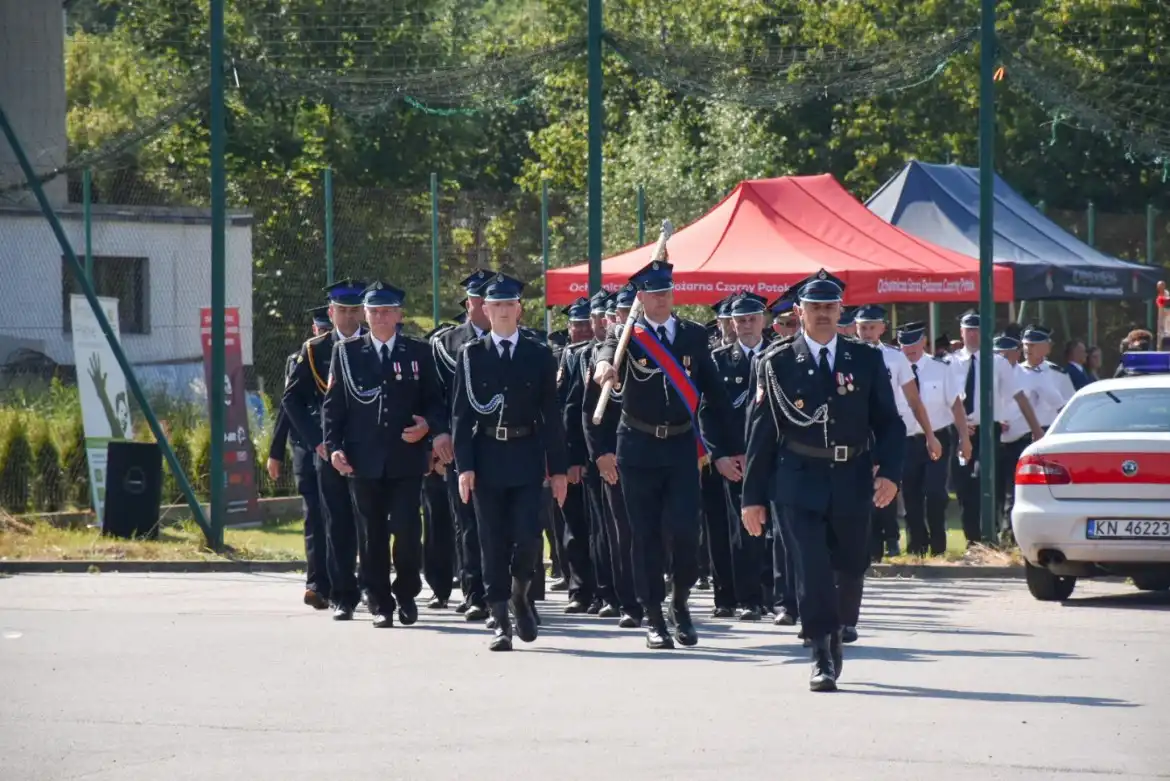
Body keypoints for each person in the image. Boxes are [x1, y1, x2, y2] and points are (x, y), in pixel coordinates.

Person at [741, 269, 905, 692]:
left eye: (830, 307)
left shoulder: (865, 358)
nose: (823, 314)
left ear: (841, 310)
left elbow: (889, 423)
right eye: (815, 307)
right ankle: (820, 651)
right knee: (811, 568)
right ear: (799, 312)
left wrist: (890, 473)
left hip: (851, 475)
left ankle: (838, 629)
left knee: (851, 565)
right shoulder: (775, 362)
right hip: (798, 479)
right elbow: (761, 433)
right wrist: (752, 498)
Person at [592, 259, 743, 650]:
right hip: (637, 447)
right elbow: (607, 350)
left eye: (666, 293)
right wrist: (605, 363)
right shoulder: (628, 334)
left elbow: (715, 395)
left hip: (679, 446)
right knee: (643, 536)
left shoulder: (693, 336)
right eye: (653, 294)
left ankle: (679, 601)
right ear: (640, 297)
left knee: (685, 532)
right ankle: (653, 616)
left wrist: (729, 446)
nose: (661, 300)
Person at [451, 273, 569, 651]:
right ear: (484, 310)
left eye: (508, 304)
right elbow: (461, 416)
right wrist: (464, 466)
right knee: (491, 541)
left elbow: (551, 414)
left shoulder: (537, 354)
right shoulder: (471, 355)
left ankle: (521, 595)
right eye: (495, 305)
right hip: (487, 458)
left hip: (526, 455)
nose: (502, 311)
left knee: (528, 539)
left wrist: (560, 469)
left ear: (519, 309)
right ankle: (500, 619)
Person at [322, 281, 450, 628]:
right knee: (371, 535)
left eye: (386, 311)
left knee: (408, 532)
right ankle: (380, 602)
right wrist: (333, 448)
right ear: (365, 314)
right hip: (363, 460)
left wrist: (429, 428)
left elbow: (435, 401)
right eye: (374, 311)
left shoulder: (417, 352)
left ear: (399, 315)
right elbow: (334, 408)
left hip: (406, 459)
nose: (379, 317)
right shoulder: (347, 353)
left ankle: (406, 592)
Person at [282, 280, 367, 620]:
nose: (347, 318)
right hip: (330, 450)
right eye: (341, 311)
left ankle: (374, 589)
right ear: (331, 313)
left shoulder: (372, 343)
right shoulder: (315, 350)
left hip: (369, 447)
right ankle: (342, 594)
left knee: (371, 524)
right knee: (337, 523)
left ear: (361, 312)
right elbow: (292, 399)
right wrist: (317, 440)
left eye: (352, 311)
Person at [853, 304, 943, 563]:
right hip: (856, 432)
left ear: (882, 328)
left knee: (887, 484)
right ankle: (868, 547)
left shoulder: (895, 358)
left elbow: (914, 400)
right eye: (863, 327)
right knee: (859, 491)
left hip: (886, 432)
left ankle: (889, 539)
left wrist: (930, 434)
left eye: (872, 327)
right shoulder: (846, 354)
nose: (867, 332)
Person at [951, 311, 1044, 545]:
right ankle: (972, 538)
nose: (973, 335)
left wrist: (1037, 430)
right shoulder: (950, 362)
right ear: (961, 333)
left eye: (977, 330)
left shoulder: (998, 363)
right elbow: (944, 400)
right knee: (964, 485)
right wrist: (959, 425)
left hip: (987, 429)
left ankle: (989, 535)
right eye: (968, 330)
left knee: (985, 479)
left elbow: (1019, 396)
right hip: (960, 429)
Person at [431, 272, 493, 621]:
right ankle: (475, 593)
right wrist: (439, 436)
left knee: (504, 524)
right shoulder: (447, 345)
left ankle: (513, 592)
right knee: (466, 522)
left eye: (488, 300)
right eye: (475, 300)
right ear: (468, 304)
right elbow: (435, 398)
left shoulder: (515, 340)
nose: (482, 307)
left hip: (503, 446)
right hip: (460, 446)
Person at [268, 306, 333, 609]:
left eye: (326, 329)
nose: (322, 334)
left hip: (339, 447)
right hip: (306, 448)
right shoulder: (299, 361)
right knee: (314, 515)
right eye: (319, 330)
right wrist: (275, 452)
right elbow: (286, 408)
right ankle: (316, 583)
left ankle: (341, 578)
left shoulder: (348, 355)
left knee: (341, 516)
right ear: (313, 329)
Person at [713, 291, 773, 621]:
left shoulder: (780, 356)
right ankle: (745, 598)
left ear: (763, 320)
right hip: (733, 461)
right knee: (737, 532)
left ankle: (775, 596)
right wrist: (719, 455)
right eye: (741, 320)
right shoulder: (720, 360)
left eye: (752, 318)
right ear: (732, 324)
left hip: (773, 459)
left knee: (776, 530)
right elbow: (706, 412)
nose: (747, 325)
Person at [897, 321, 971, 557]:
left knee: (935, 492)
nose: (909, 349)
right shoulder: (893, 369)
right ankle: (917, 545)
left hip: (938, 437)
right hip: (906, 439)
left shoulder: (941, 368)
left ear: (923, 342)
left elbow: (956, 405)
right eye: (903, 344)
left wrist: (964, 438)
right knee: (911, 494)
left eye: (913, 344)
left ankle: (938, 544)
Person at [556, 296, 600, 614]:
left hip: (604, 456)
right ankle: (580, 589)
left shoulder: (609, 353)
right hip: (577, 456)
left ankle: (605, 589)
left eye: (589, 322)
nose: (585, 329)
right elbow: (568, 411)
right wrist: (571, 458)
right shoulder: (569, 358)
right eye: (579, 324)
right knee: (576, 528)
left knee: (604, 529)